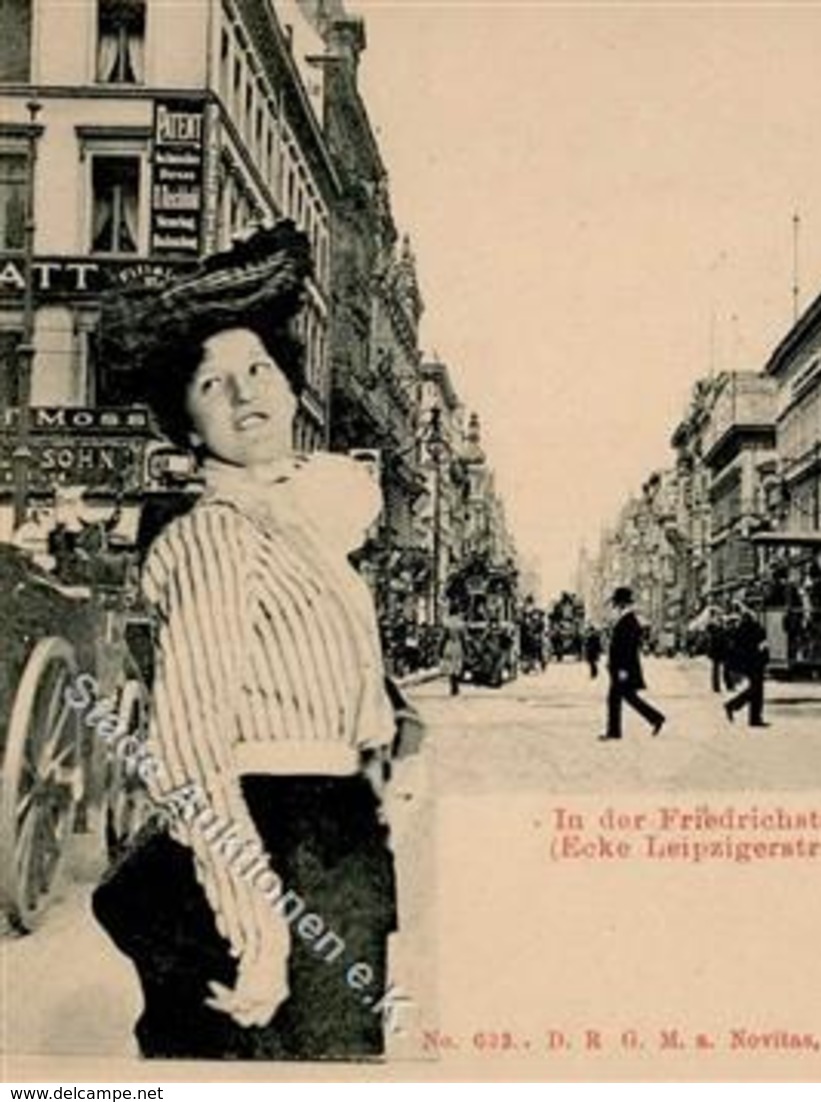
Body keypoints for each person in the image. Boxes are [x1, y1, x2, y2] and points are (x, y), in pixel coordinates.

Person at [89, 222, 398, 1059]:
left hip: (330, 840)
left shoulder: (298, 522)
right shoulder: (215, 536)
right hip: (264, 849)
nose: (244, 393)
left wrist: (367, 765)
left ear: (291, 385)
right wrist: (258, 933)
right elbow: (189, 750)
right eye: (211, 383)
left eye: (258, 368)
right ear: (185, 422)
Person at [602, 586, 665, 740]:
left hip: (624, 668)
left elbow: (627, 649)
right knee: (625, 697)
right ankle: (655, 718)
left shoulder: (628, 621)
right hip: (621, 667)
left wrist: (622, 669)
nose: (615, 607)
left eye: (616, 604)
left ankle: (615, 732)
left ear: (622, 604)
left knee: (618, 698)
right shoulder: (626, 620)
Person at [723, 598, 770, 729]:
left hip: (748, 661)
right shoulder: (753, 626)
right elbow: (761, 642)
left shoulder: (741, 626)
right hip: (754, 661)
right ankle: (736, 707)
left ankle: (752, 717)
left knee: (755, 690)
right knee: (756, 690)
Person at [441, 615, 467, 696]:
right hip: (458, 645)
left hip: (449, 645)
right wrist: (466, 648)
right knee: (457, 666)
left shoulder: (447, 623)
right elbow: (463, 638)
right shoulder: (461, 624)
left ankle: (453, 685)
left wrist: (440, 648)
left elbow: (443, 637)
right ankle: (456, 685)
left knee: (450, 666)